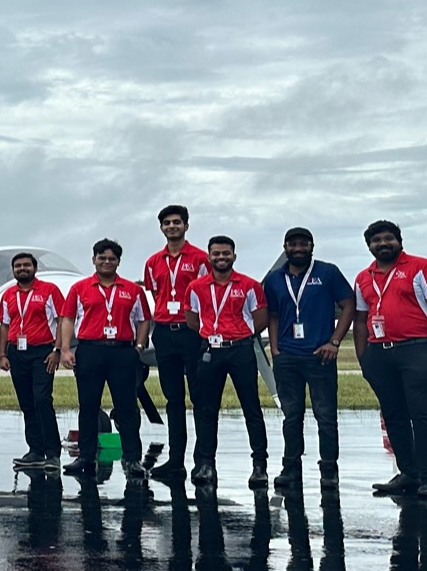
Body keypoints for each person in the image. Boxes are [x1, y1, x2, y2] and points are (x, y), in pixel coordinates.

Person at [352, 220, 427, 501]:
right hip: (379, 352)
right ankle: (408, 472)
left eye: (388, 239)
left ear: (399, 240)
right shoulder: (363, 278)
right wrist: (363, 357)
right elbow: (360, 319)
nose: (383, 244)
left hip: (416, 349)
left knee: (423, 414)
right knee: (393, 415)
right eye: (376, 241)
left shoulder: (422, 268)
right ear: (369, 246)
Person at [262, 228, 354, 491]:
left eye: (304, 244)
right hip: (287, 357)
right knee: (291, 416)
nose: (298, 248)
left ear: (312, 246)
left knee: (325, 415)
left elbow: (348, 304)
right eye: (293, 244)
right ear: (285, 247)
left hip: (320, 355)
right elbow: (274, 315)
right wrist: (276, 349)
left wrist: (334, 340)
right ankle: (291, 467)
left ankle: (329, 469)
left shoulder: (328, 272)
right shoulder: (274, 279)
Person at [59, 240, 151, 490]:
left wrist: (139, 348)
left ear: (118, 262)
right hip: (90, 350)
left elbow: (144, 320)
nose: (106, 262)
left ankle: (132, 459)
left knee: (127, 408)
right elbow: (67, 319)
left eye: (111, 258)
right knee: (88, 406)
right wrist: (66, 349)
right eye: (102, 258)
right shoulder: (79, 289)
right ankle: (86, 457)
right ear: (94, 260)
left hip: (122, 351)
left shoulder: (132, 290)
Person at [186, 235, 270, 492]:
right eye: (216, 254)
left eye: (226, 254)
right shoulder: (196, 287)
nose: (221, 258)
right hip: (211, 350)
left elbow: (261, 319)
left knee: (251, 408)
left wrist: (239, 335)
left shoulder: (249, 285)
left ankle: (259, 466)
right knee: (206, 410)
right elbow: (192, 320)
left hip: (240, 351)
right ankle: (206, 464)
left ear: (234, 256)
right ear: (209, 257)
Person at [144, 204, 211, 481]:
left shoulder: (199, 258)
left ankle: (203, 461)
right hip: (164, 332)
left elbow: (208, 295)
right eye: (167, 223)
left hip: (191, 331)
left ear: (186, 225)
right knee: (173, 399)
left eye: (177, 222)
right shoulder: (153, 262)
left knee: (200, 398)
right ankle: (175, 460)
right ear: (161, 228)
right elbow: (153, 292)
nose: (172, 227)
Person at [0, 253, 64, 475]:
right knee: (27, 403)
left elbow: (62, 320)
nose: (22, 269)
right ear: (13, 270)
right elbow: (4, 325)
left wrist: (57, 350)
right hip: (17, 352)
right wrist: (2, 354)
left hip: (43, 352)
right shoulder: (8, 294)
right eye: (18, 266)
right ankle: (35, 450)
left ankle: (52, 452)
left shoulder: (49, 290)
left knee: (42, 399)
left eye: (26, 265)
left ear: (35, 268)